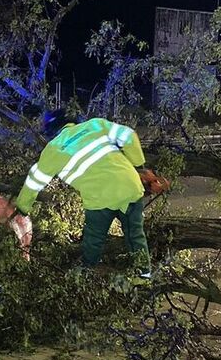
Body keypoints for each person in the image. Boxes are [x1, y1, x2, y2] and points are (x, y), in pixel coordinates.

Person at [13, 110, 152, 276]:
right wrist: (138, 165)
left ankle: (87, 275)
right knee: (135, 235)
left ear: (52, 132)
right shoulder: (95, 125)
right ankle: (143, 277)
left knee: (93, 240)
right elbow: (129, 136)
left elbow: (34, 181)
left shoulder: (54, 148)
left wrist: (22, 207)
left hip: (100, 199)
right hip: (130, 187)